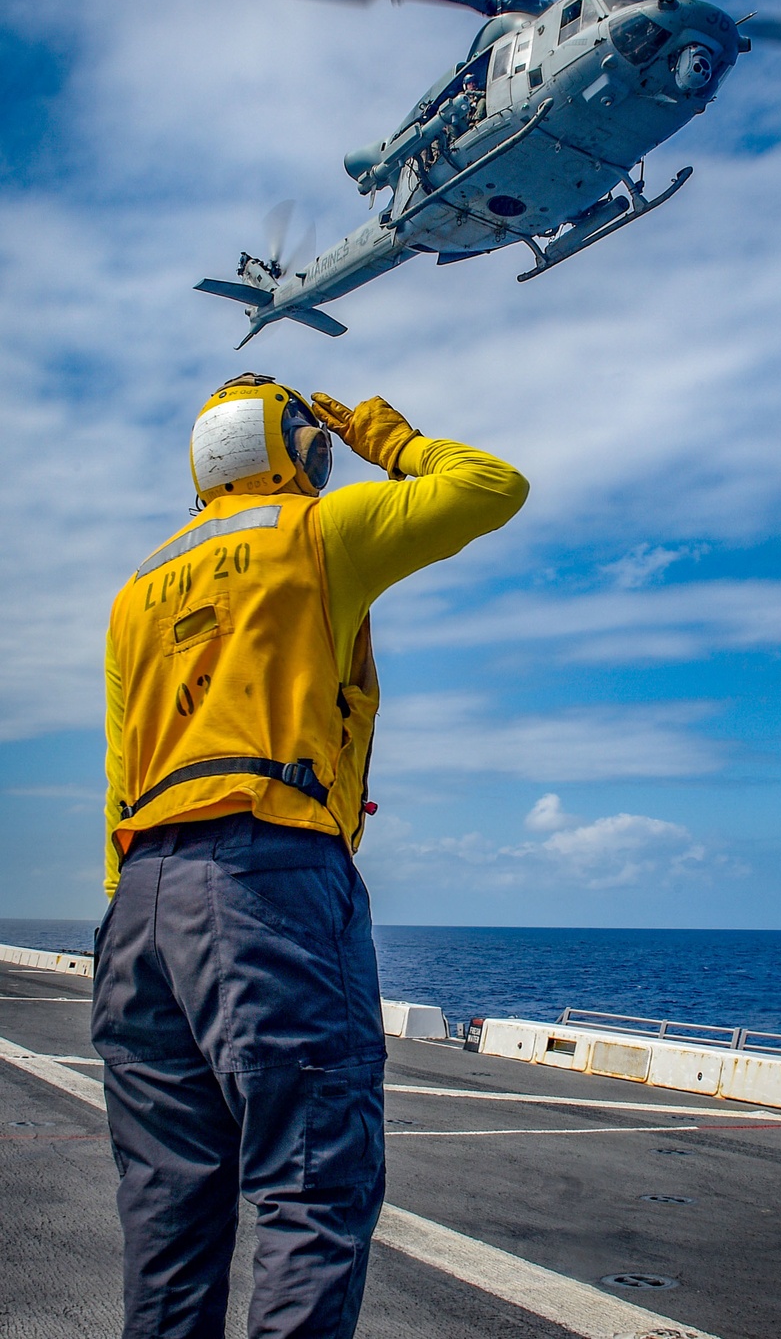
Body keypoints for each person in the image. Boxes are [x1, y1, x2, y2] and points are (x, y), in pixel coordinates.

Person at [91, 374, 528, 1339]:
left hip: (138, 907)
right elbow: (491, 486)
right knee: (311, 1184)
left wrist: (129, 911)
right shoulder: (316, 532)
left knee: (166, 1213)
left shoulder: (134, 595)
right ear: (295, 449)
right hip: (265, 880)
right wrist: (387, 434)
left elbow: (121, 772)